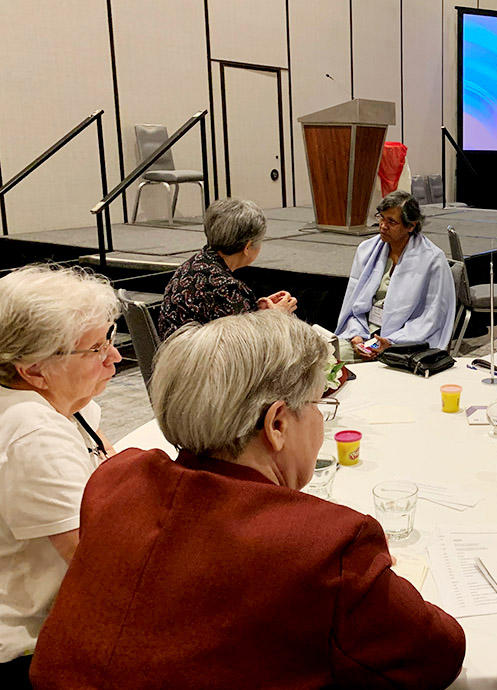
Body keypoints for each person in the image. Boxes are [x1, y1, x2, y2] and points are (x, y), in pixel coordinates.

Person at [29, 310, 466, 689]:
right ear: (277, 424)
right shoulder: (326, 544)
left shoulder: (117, 478)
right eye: (318, 403)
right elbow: (437, 656)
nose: (320, 418)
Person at [0, 266, 121, 686]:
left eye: (111, 338)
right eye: (96, 349)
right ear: (33, 370)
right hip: (30, 647)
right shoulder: (32, 434)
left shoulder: (61, 401)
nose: (115, 356)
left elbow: (105, 461)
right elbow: (103, 567)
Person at [334, 190, 455, 361]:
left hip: (405, 340)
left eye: (391, 221)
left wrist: (392, 342)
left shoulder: (432, 259)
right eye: (381, 217)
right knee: (330, 355)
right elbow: (354, 306)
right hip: (365, 332)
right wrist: (356, 336)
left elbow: (431, 317)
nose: (383, 225)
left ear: (411, 226)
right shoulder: (367, 250)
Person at [158, 198, 296, 339]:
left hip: (175, 354)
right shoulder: (225, 287)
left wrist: (259, 311)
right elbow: (250, 344)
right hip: (197, 358)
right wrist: (278, 316)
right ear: (247, 247)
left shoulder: (191, 265)